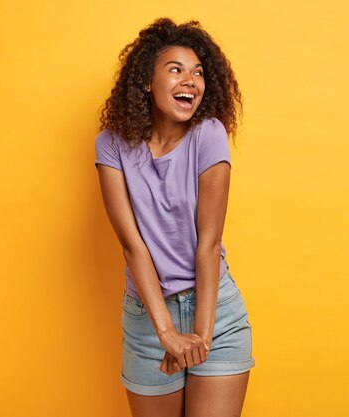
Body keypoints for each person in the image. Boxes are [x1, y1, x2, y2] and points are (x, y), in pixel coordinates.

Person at [93, 17, 254, 417]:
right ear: (147, 82)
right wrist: (165, 332)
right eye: (176, 69)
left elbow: (209, 242)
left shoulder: (209, 134)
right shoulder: (111, 145)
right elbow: (133, 245)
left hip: (215, 311)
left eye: (198, 72)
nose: (191, 80)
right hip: (148, 317)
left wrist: (200, 336)